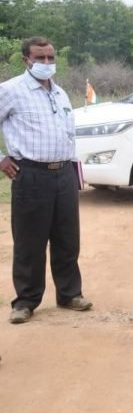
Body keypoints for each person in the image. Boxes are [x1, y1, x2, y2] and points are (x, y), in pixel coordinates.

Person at [0, 37, 92, 324]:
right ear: (26, 60)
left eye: (50, 57)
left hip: (63, 174)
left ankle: (69, 293)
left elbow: (67, 134)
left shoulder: (60, 93)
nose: (47, 63)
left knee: (67, 238)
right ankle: (26, 300)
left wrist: (73, 171)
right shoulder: (10, 90)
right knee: (30, 241)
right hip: (31, 175)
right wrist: (1, 159)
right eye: (40, 58)